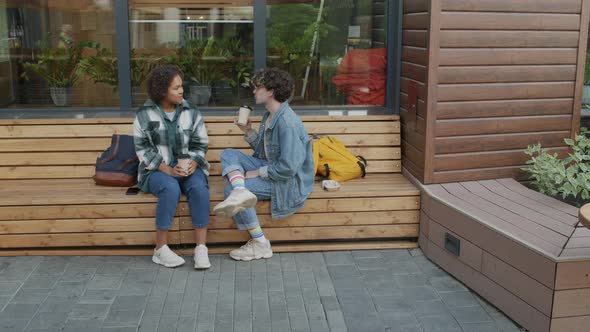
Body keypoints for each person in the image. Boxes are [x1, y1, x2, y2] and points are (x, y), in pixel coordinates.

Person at [213, 67, 314, 261]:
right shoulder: (269, 116)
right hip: (273, 169)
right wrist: (248, 131)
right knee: (228, 154)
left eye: (258, 87)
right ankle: (240, 190)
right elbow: (262, 153)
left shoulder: (287, 123)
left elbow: (289, 168)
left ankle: (260, 243)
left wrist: (258, 173)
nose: (253, 91)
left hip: (287, 182)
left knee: (229, 192)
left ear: (271, 91)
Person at [133, 65, 211, 269]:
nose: (181, 91)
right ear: (162, 90)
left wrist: (194, 161)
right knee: (170, 187)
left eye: (181, 87)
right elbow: (142, 149)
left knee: (200, 188)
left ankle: (201, 248)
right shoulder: (144, 114)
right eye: (176, 88)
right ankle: (160, 249)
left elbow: (200, 143)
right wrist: (166, 168)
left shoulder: (191, 111)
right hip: (156, 172)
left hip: (188, 169)